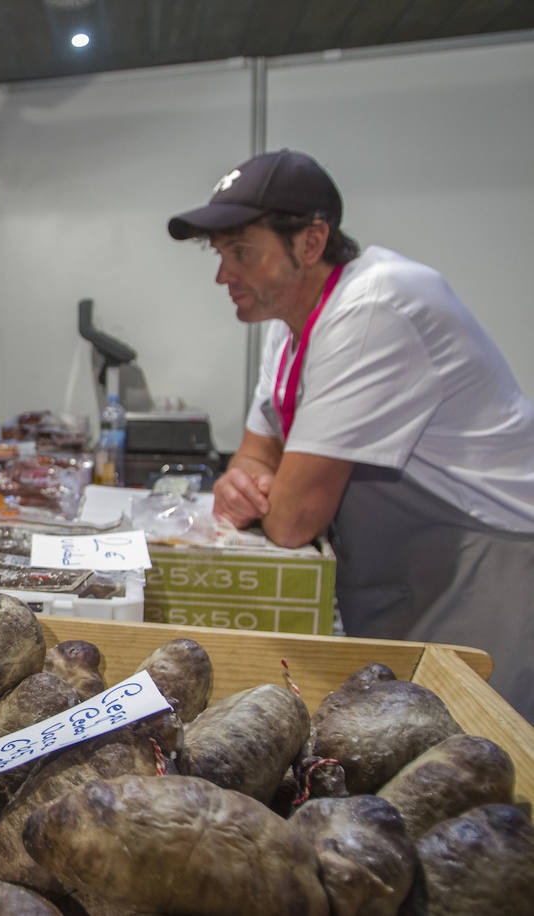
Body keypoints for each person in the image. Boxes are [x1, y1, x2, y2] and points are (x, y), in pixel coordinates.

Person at [168, 149, 534, 720]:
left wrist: (265, 490)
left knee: (480, 767)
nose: (223, 275)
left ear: (311, 242)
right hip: (410, 573)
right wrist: (245, 481)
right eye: (220, 254)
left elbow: (292, 519)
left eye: (241, 252)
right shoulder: (292, 321)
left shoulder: (375, 306)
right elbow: (253, 454)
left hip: (487, 570)